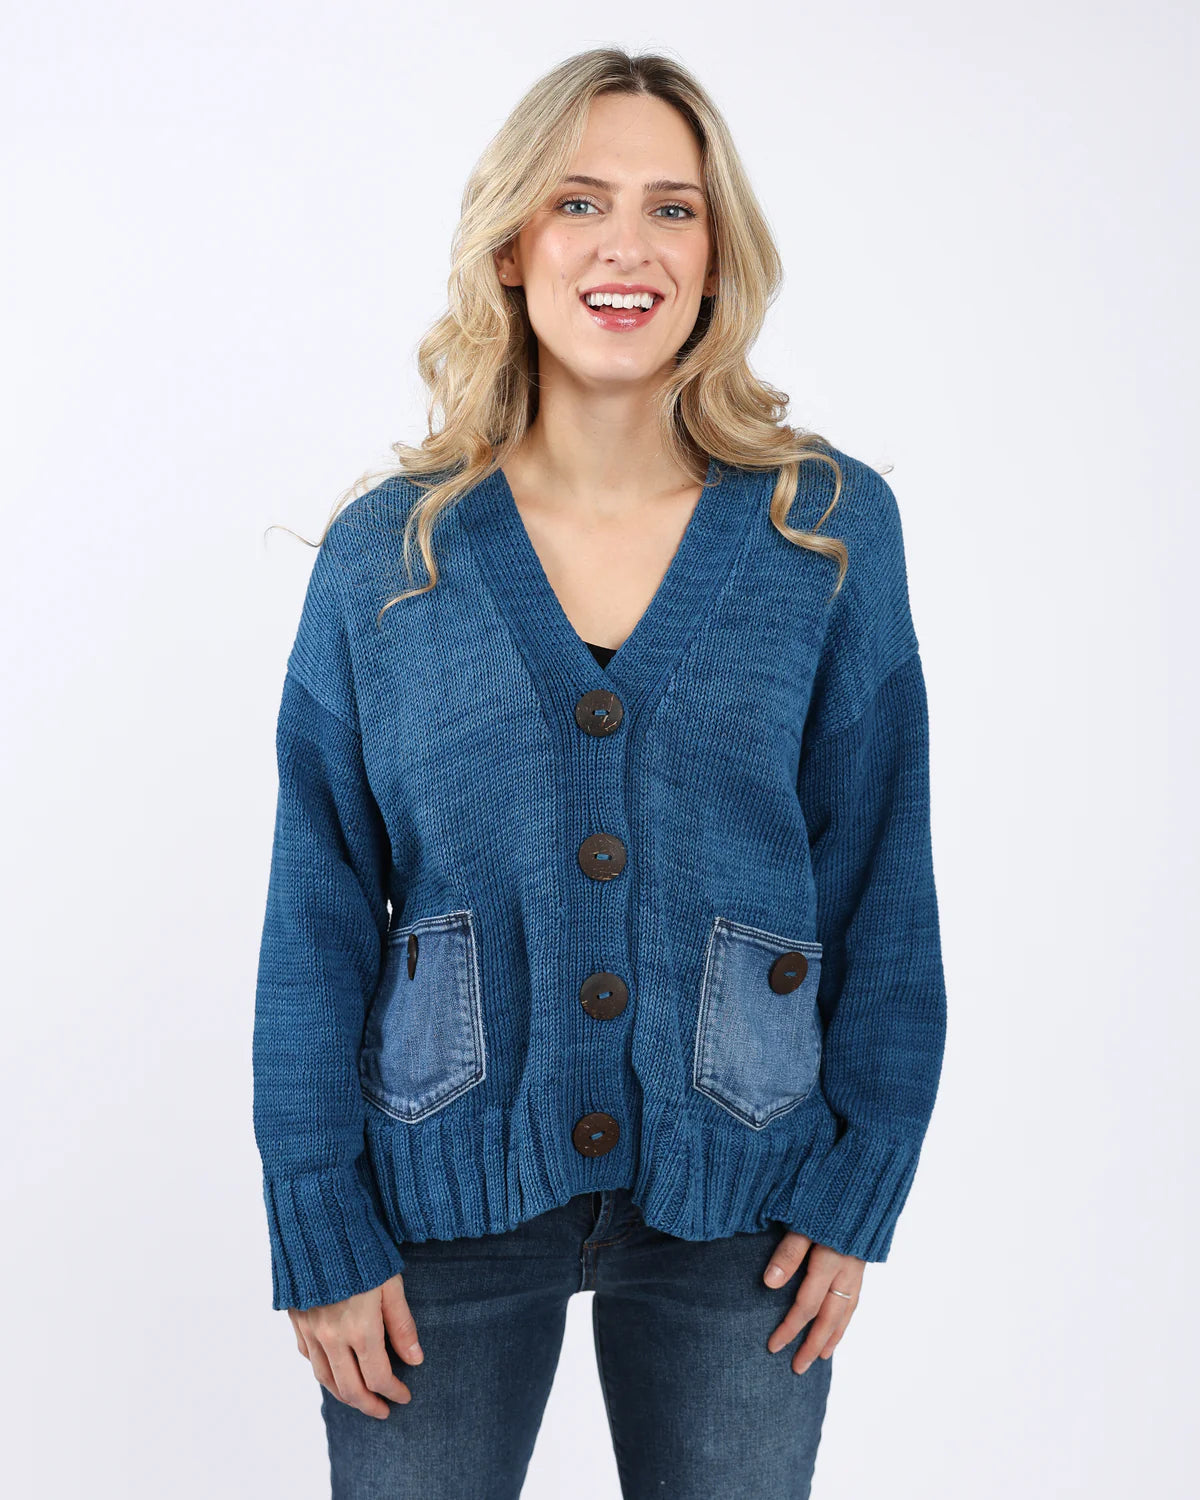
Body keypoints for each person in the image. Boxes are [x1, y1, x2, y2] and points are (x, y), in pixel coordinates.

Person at [252, 46, 948, 1499]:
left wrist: (862, 1175)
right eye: (579, 203)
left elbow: (882, 869)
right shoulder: (394, 555)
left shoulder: (821, 531)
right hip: (435, 1183)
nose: (627, 246)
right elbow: (317, 904)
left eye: (671, 208)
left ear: (717, 254)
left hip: (748, 1185)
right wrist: (315, 1216)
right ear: (512, 247)